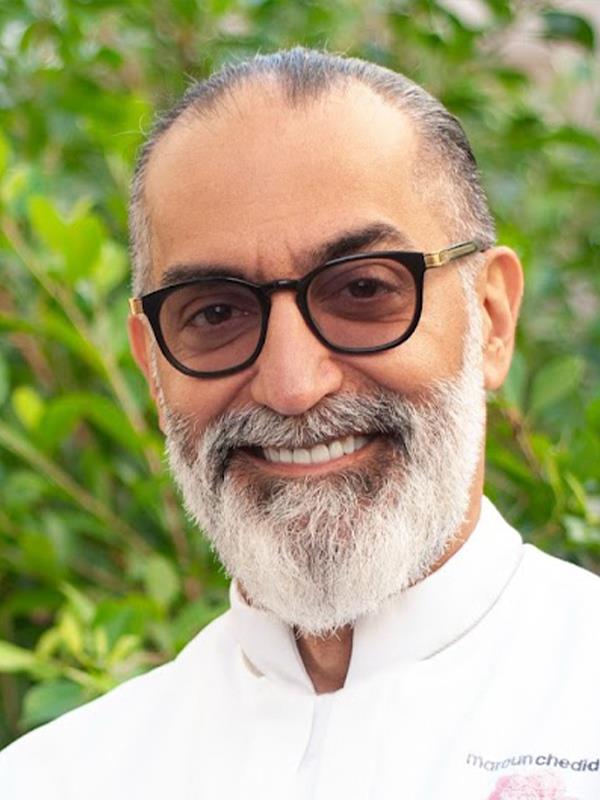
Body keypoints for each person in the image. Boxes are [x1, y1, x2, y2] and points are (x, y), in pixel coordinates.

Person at [1, 47, 599, 800]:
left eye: (363, 290)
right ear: (152, 366)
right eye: (215, 313)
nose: (291, 385)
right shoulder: (57, 779)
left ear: (492, 319)